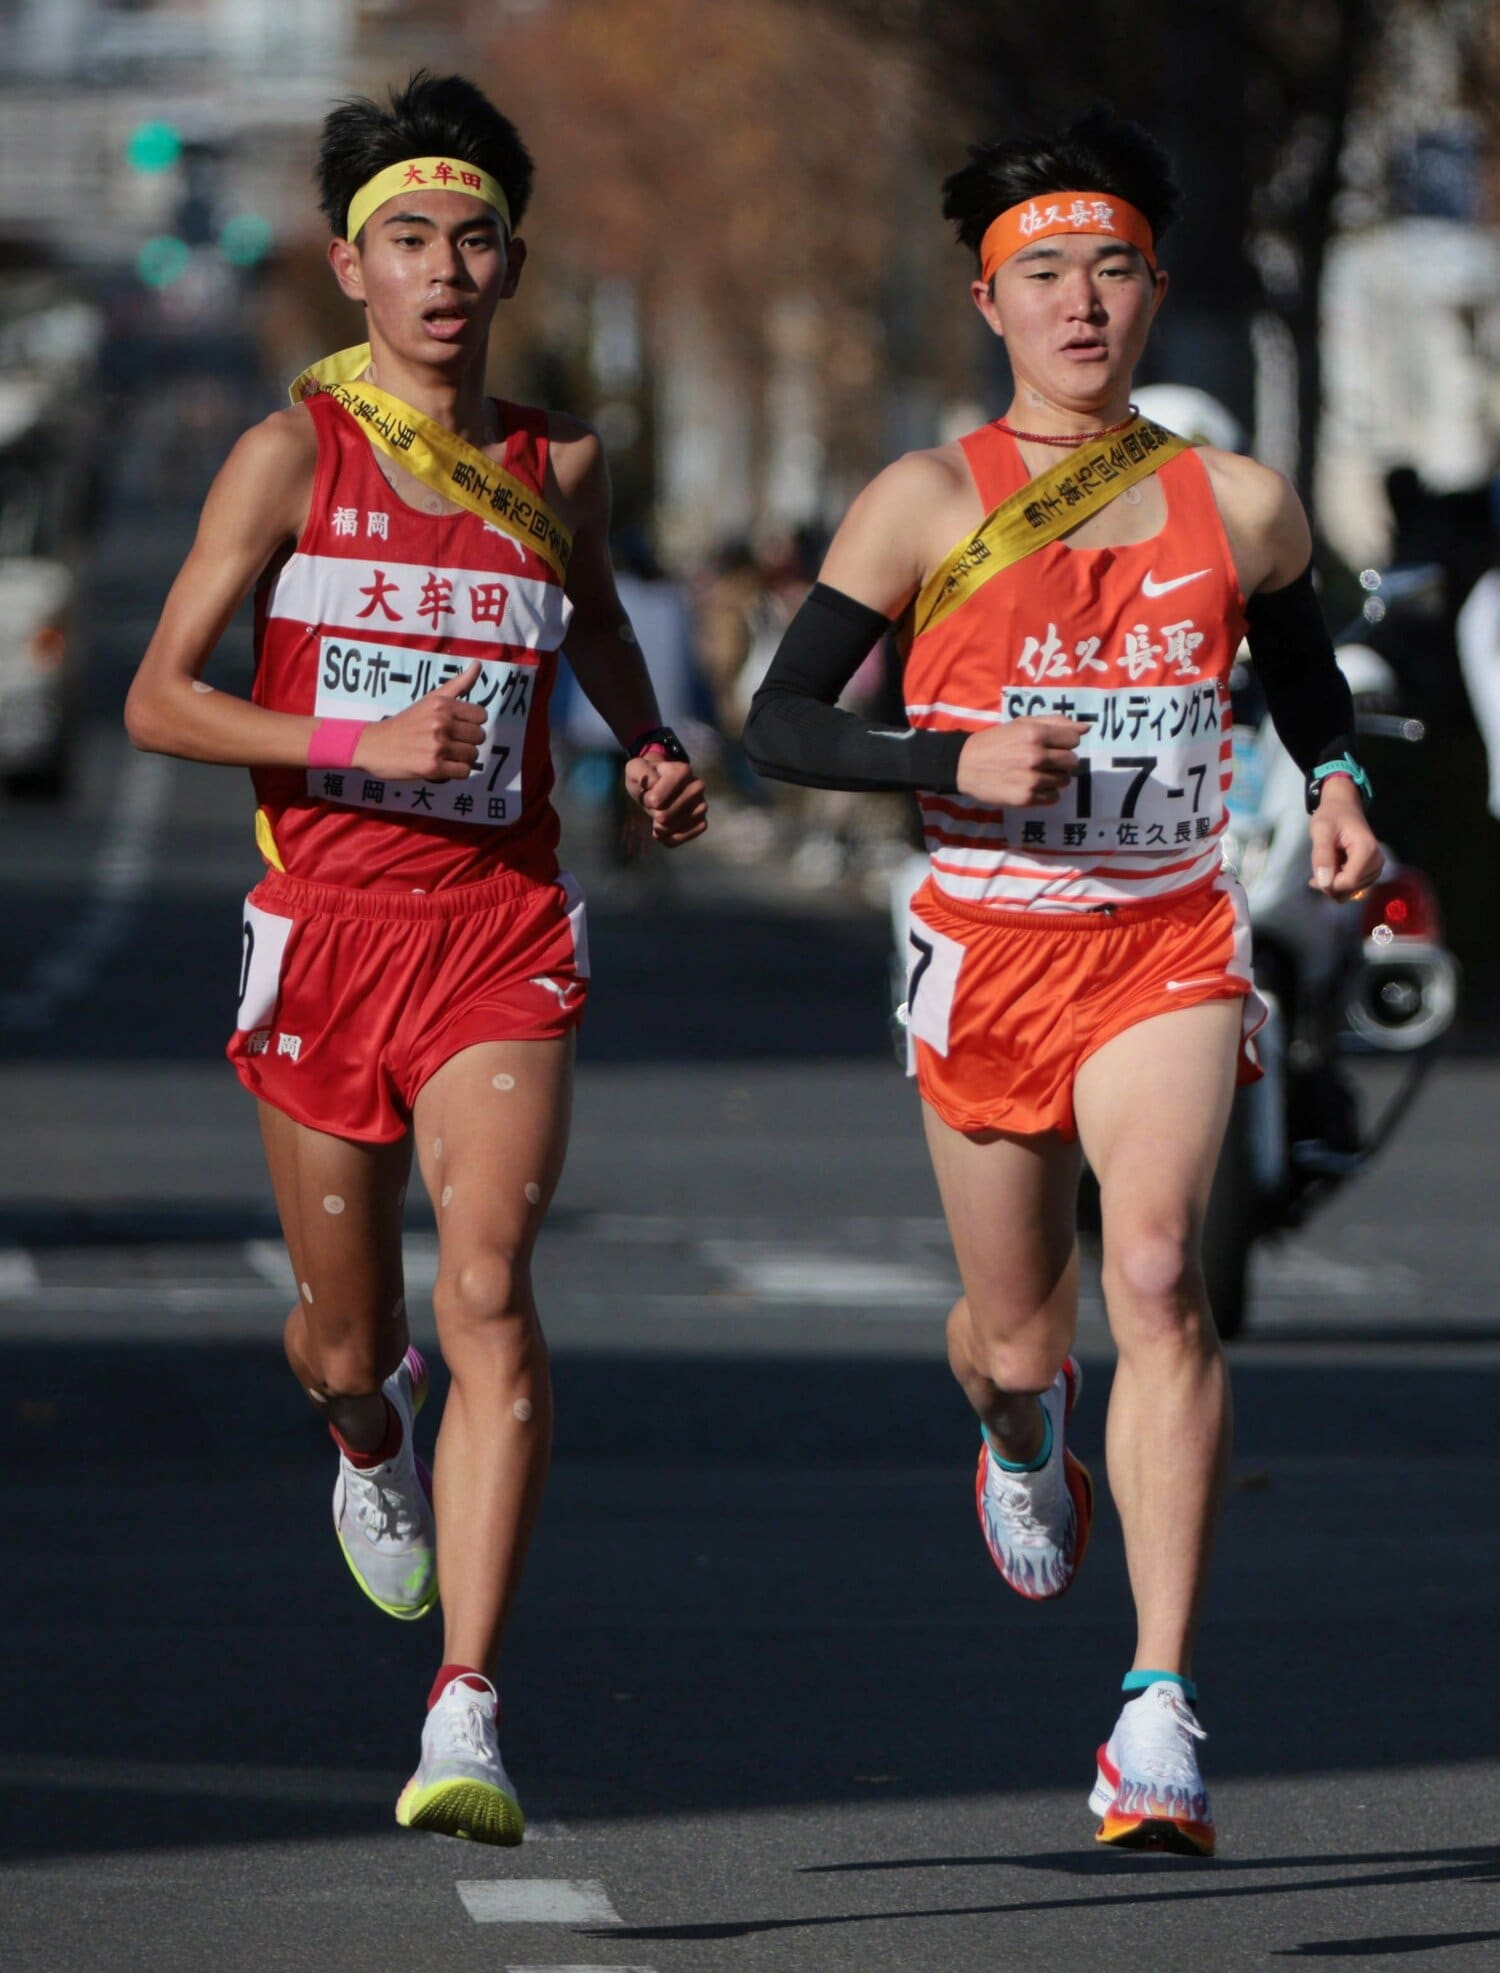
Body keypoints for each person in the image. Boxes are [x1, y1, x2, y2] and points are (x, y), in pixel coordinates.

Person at [743, 105, 1380, 1856]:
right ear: (991, 301)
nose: (1081, 305)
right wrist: (942, 753)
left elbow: (1307, 683)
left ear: (1154, 288)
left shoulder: (1237, 501)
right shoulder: (925, 498)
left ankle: (1157, 1710)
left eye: (1110, 270)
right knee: (1021, 1336)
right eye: (1046, 276)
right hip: (992, 946)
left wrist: (1335, 792)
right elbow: (781, 723)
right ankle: (1022, 1433)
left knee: (1161, 1276)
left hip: (1167, 932)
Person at [125, 70, 707, 1846]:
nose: (442, 270)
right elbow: (159, 700)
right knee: (350, 1338)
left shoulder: (563, 464)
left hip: (497, 932)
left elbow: (594, 613)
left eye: (470, 240)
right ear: (348, 268)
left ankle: (469, 1710)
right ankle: (367, 1447)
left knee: (492, 1290)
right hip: (325, 928)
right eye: (406, 241)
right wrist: (352, 752)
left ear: (509, 263)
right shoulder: (289, 455)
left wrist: (650, 743)